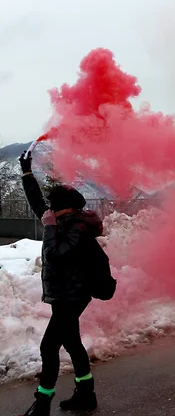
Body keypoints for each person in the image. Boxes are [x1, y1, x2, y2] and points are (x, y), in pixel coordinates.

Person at [18, 152, 102, 416]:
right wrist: (27, 173)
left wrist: (50, 228)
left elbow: (59, 255)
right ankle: (86, 394)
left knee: (48, 346)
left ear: (65, 207)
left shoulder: (77, 228)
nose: (48, 209)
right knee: (72, 342)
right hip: (64, 295)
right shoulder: (62, 219)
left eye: (53, 205)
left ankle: (42, 404)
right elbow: (36, 202)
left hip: (72, 297)